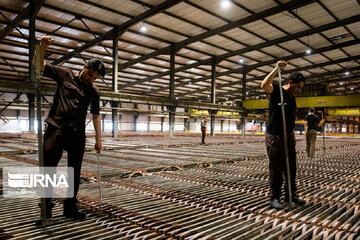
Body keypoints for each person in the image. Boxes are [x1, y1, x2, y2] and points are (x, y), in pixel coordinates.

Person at [35, 36, 104, 222]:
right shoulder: (64, 74)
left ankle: (70, 209)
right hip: (56, 129)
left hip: (77, 134)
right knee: (48, 170)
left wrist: (99, 139)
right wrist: (42, 47)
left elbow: (96, 115)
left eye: (94, 78)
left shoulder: (94, 91)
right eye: (90, 74)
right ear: (84, 67)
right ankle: (46, 209)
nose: (90, 79)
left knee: (74, 171)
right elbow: (39, 66)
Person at [261, 60, 306, 210]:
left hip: (288, 136)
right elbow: (264, 85)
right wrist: (276, 69)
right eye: (298, 87)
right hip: (274, 136)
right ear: (291, 82)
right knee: (276, 167)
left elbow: (291, 118)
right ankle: (274, 198)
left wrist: (292, 135)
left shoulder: (292, 98)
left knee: (291, 168)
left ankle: (290, 194)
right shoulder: (276, 92)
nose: (299, 90)